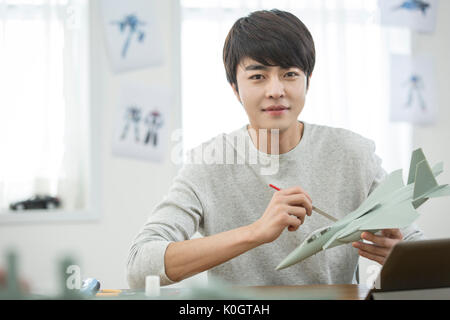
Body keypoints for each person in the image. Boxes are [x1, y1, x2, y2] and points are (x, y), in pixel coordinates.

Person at [126, 9, 424, 288]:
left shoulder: (353, 154)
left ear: (308, 80)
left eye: (290, 74)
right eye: (257, 76)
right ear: (234, 88)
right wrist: (257, 232)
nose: (275, 90)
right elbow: (141, 265)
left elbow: (418, 247)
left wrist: (403, 257)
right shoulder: (208, 162)